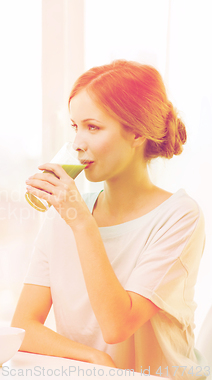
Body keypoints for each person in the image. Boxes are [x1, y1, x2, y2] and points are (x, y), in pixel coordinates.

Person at [12, 60, 208, 379]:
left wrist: (81, 222)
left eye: (93, 127)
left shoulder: (179, 216)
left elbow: (117, 325)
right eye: (75, 127)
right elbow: (23, 327)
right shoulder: (65, 214)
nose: (77, 143)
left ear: (136, 132)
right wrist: (92, 358)